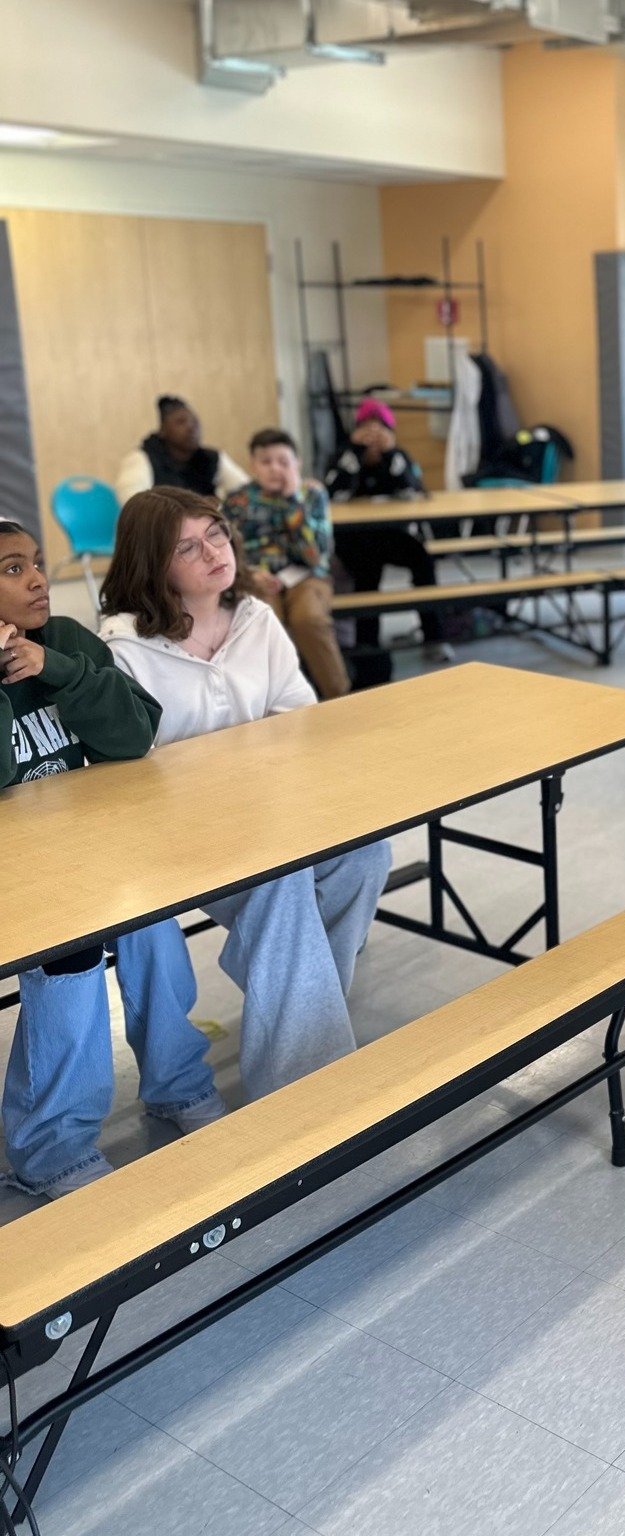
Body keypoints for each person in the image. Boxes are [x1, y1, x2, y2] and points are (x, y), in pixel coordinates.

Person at [99, 488, 392, 1098]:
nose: (214, 552)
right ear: (153, 566)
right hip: (182, 836)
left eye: (216, 533)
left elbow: (300, 721)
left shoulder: (257, 619)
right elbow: (135, 775)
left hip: (272, 812)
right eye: (188, 547)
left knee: (366, 853)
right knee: (281, 881)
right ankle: (303, 1089)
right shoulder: (124, 650)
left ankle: (299, 1013)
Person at [0, 519, 226, 1200]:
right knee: (71, 952)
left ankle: (176, 1082)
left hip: (84, 853)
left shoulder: (65, 641)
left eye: (36, 563)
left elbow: (133, 737)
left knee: (150, 918)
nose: (39, 579)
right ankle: (50, 1148)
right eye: (13, 569)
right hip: (18, 873)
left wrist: (57, 669)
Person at [223, 428, 351, 699]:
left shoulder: (312, 495)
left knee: (309, 619)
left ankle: (338, 695)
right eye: (266, 461)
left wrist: (294, 500)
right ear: (252, 465)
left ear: (297, 464)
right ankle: (276, 702)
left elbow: (317, 555)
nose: (275, 469)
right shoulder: (238, 500)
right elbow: (227, 551)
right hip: (256, 577)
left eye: (283, 462)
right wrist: (249, 575)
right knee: (268, 622)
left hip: (307, 576)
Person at [325, 399, 455, 666]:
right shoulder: (344, 456)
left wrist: (391, 454)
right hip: (353, 537)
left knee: (422, 560)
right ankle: (367, 647)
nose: (373, 435)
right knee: (367, 574)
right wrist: (355, 452)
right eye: (366, 429)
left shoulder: (398, 457)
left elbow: (414, 490)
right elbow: (331, 494)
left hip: (389, 533)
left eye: (380, 429)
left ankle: (434, 636)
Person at [116, 395, 247, 504]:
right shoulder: (142, 458)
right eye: (181, 422)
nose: (191, 428)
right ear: (162, 430)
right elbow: (133, 506)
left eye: (194, 422)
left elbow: (247, 492)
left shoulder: (210, 458)